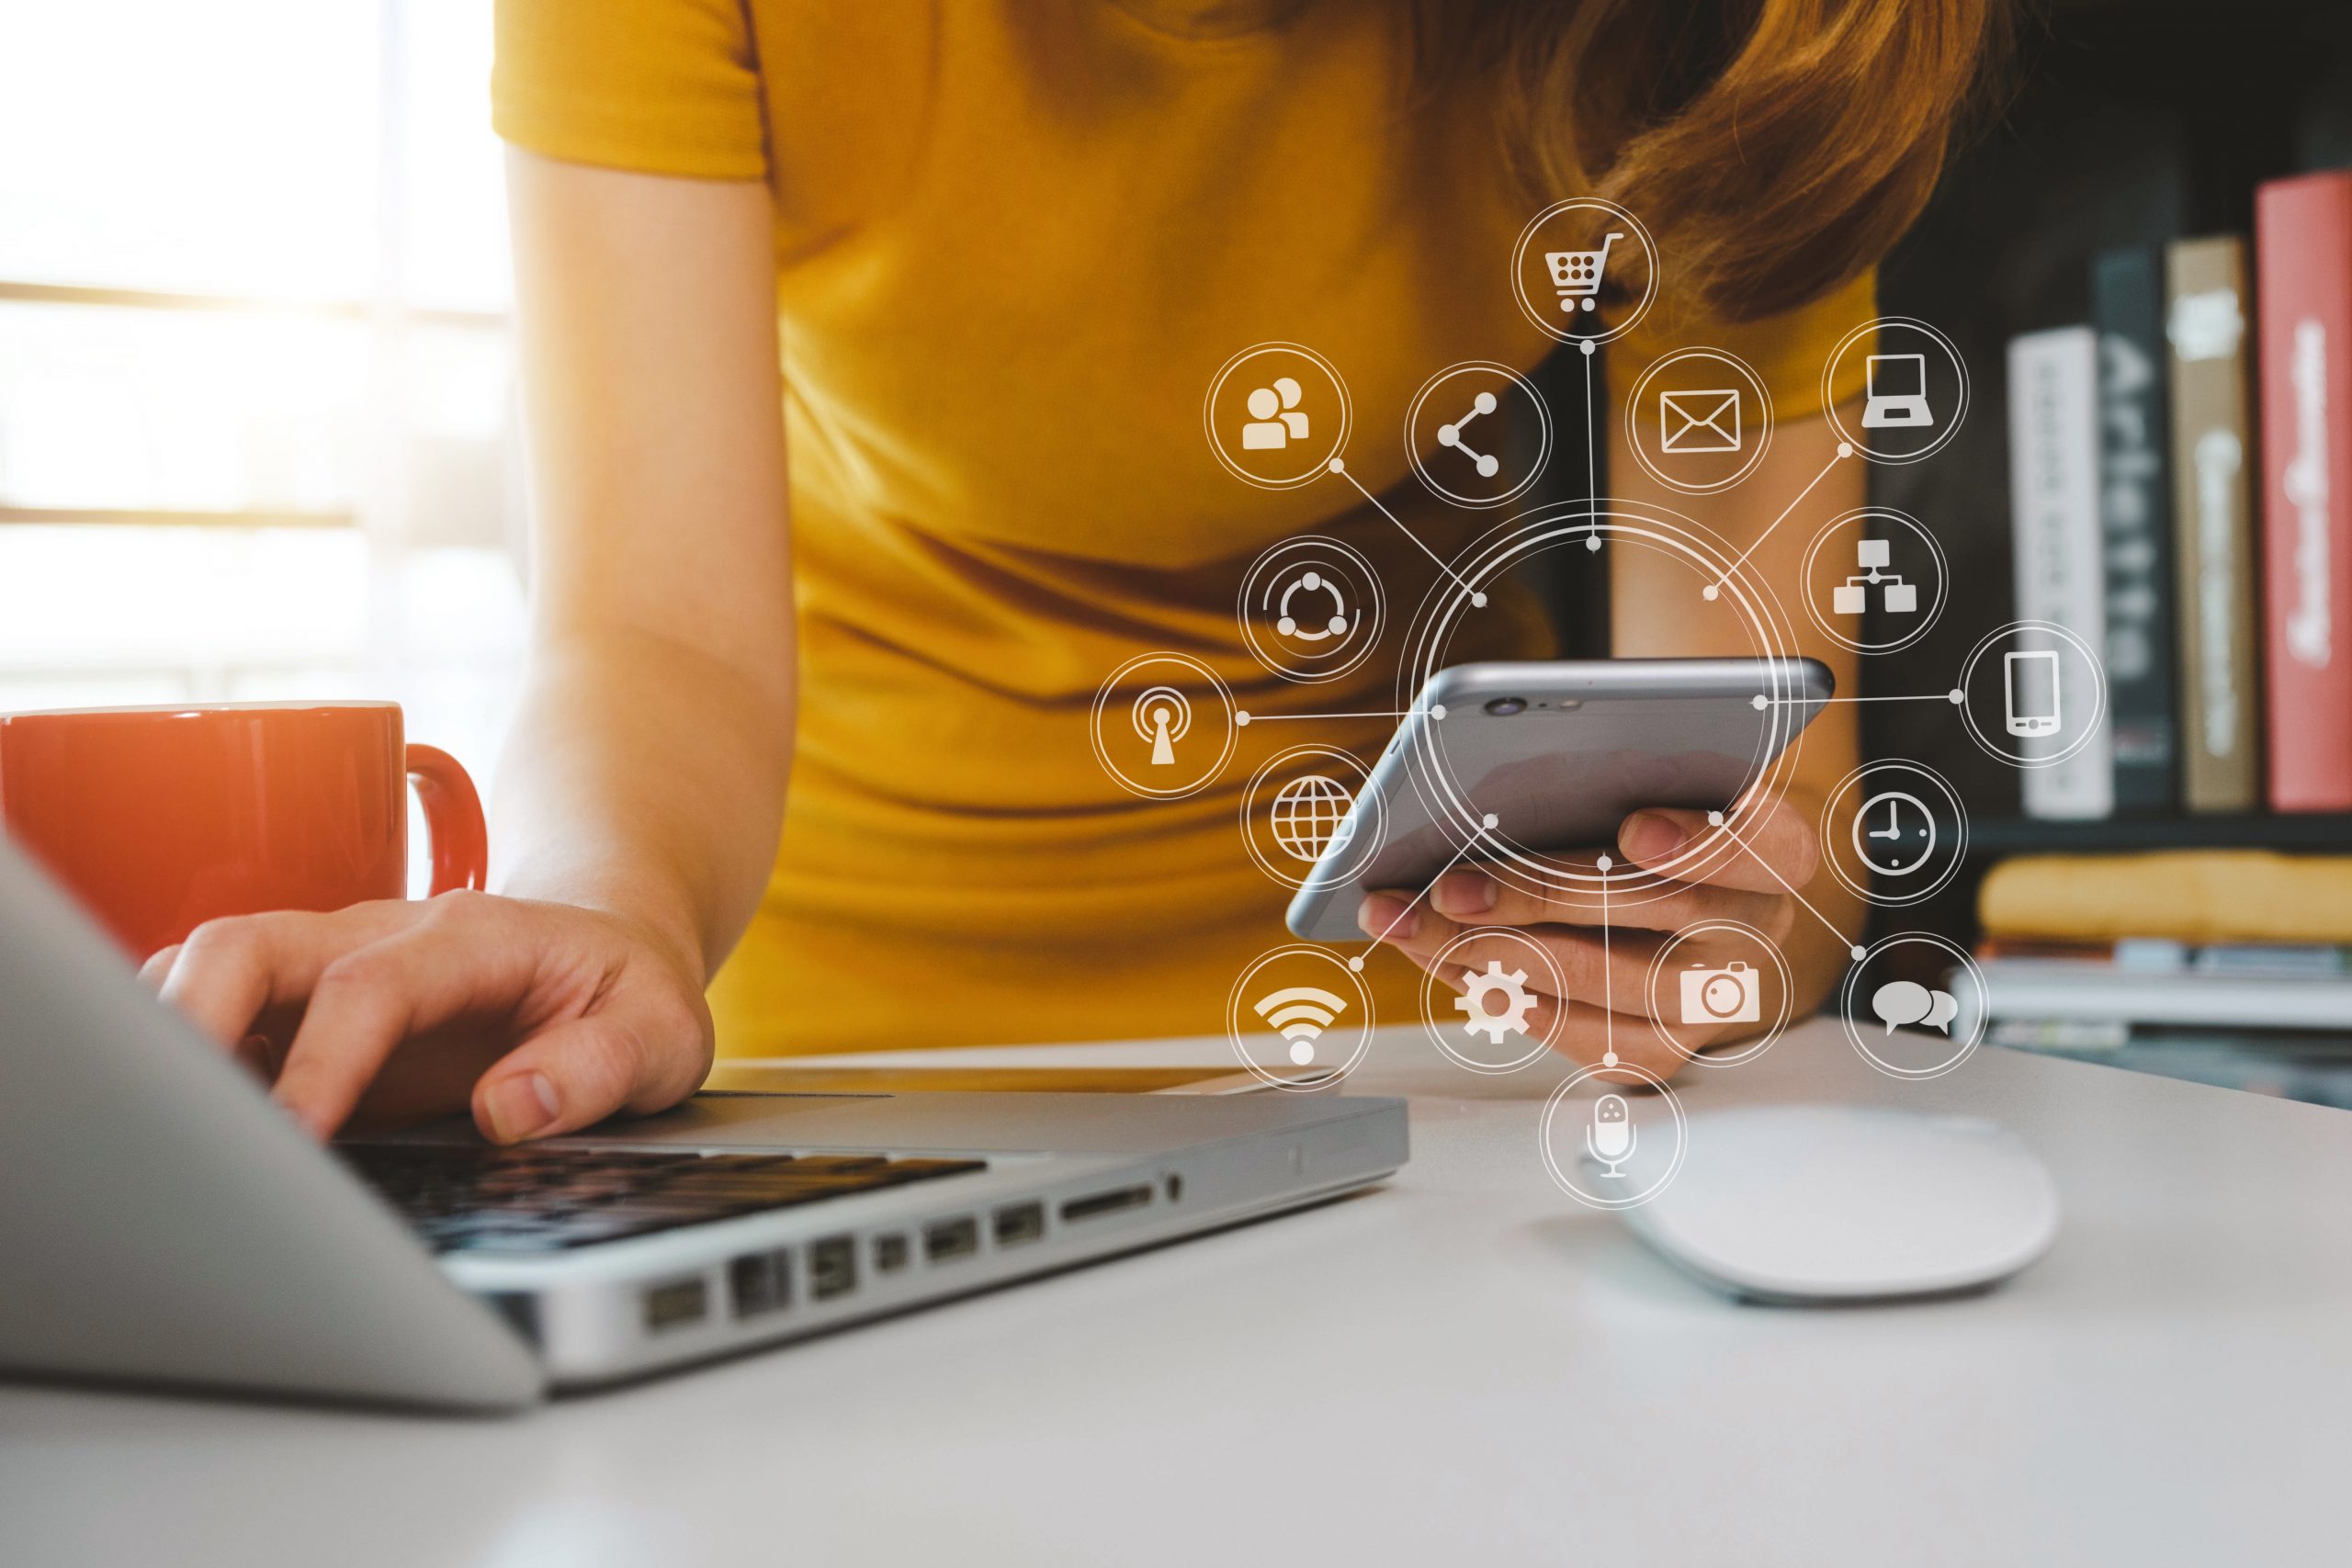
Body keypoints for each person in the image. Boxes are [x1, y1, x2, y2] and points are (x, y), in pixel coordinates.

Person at [143, 0, 2007, 1143]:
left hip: (1428, 1070)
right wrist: (608, 917)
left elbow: (1773, 772)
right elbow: (652, 634)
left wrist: (1714, 941)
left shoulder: (1731, 30)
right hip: (807, 1046)